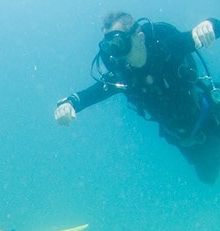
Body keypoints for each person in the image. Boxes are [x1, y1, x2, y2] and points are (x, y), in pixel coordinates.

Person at [54, 12, 220, 184]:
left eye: (120, 43)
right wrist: (68, 103)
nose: (117, 54)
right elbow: (90, 94)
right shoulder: (124, 76)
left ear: (139, 37)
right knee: (208, 177)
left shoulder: (167, 48)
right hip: (185, 141)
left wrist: (209, 24)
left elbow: (209, 30)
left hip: (212, 116)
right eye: (110, 47)